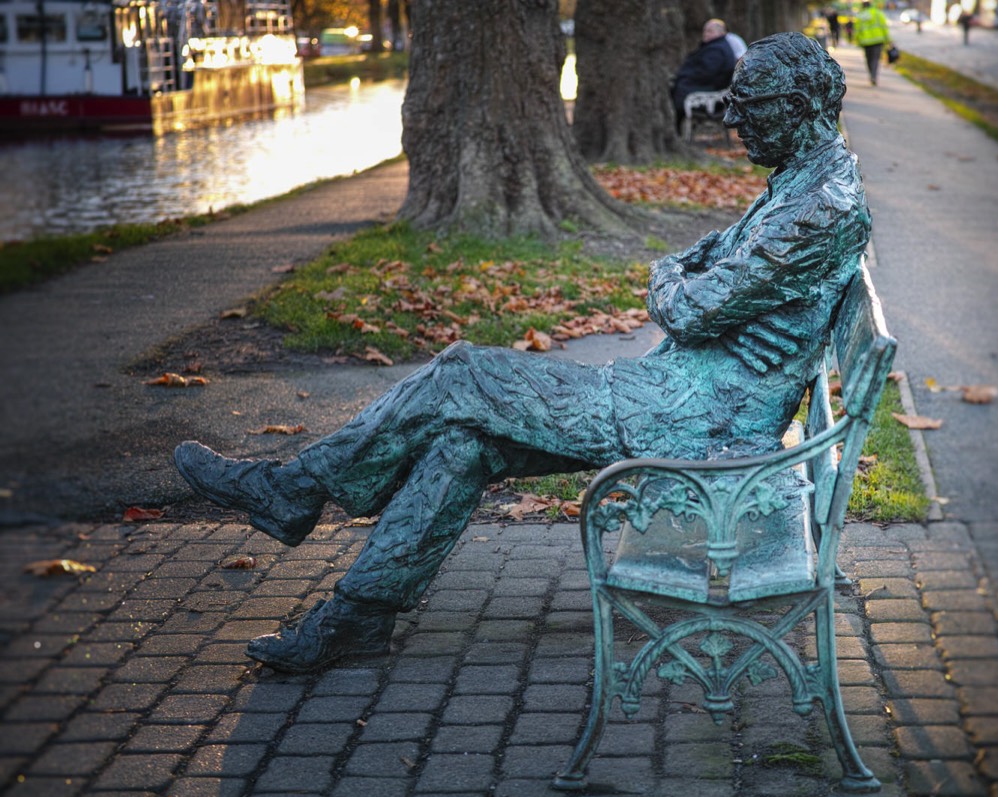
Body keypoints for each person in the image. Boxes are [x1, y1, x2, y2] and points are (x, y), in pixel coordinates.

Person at [175, 32, 872, 674]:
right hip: (682, 394)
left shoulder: (821, 207)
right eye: (735, 102)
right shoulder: (802, 181)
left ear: (802, 105)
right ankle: (357, 616)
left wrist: (671, 280)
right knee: (461, 442)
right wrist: (681, 275)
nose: (731, 120)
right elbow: (700, 261)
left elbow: (690, 303)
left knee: (463, 373)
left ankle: (294, 490)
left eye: (748, 106)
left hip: (700, 421)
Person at [670, 18, 739, 133]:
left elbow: (706, 73)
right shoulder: (717, 46)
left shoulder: (717, 49)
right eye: (705, 31)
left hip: (710, 91)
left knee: (677, 88)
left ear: (721, 32)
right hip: (709, 87)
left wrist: (683, 77)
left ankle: (675, 131)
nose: (705, 34)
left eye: (710, 31)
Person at [855, 0, 890, 86]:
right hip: (878, 40)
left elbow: (857, 29)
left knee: (868, 59)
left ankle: (871, 74)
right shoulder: (878, 13)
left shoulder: (860, 15)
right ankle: (874, 75)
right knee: (875, 59)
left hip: (866, 41)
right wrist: (888, 39)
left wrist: (858, 40)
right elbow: (884, 27)